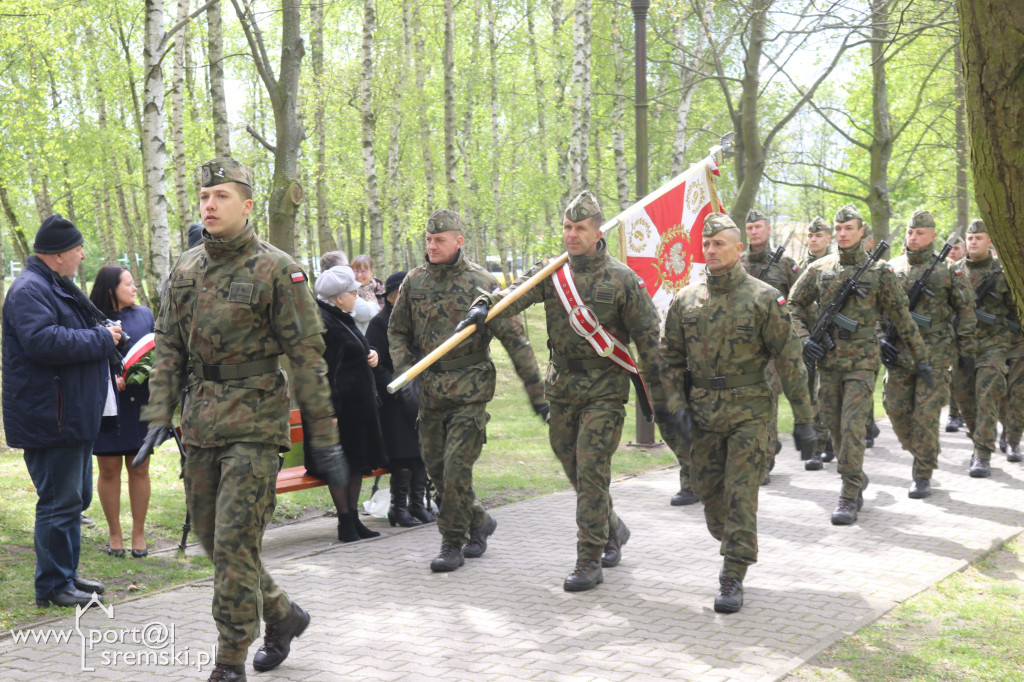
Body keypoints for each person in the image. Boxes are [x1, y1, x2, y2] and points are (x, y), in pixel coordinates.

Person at [141, 157, 347, 681]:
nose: (209, 205)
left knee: (234, 543)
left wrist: (324, 435)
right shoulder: (186, 268)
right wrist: (159, 412)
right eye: (204, 197)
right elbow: (168, 345)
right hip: (201, 422)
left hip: (255, 423)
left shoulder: (278, 269)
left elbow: (307, 357)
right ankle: (283, 614)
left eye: (222, 196)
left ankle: (230, 661)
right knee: (213, 540)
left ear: (247, 205)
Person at [460, 191, 660, 592]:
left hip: (605, 390)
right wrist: (484, 305)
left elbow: (650, 339)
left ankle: (589, 559)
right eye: (567, 227)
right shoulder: (553, 272)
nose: (571, 234)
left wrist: (663, 395)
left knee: (591, 471)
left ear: (597, 232)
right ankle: (612, 528)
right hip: (563, 389)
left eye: (580, 228)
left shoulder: (622, 279)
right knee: (575, 469)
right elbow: (510, 298)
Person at [660, 213, 815, 613]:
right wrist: (676, 405)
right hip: (703, 414)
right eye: (706, 245)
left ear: (737, 248)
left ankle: (732, 574)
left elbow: (790, 360)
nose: (710, 250)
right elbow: (670, 358)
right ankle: (731, 541)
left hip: (750, 411)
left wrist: (804, 418)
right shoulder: (686, 299)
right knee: (711, 499)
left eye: (719, 244)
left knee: (741, 495)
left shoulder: (764, 298)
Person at [389, 209, 545, 574]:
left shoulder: (482, 284)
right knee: (439, 473)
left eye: (439, 240)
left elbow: (515, 340)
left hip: (469, 392)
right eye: (428, 240)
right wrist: (405, 371)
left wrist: (536, 394)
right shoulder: (415, 281)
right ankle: (479, 520)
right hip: (429, 393)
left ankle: (451, 543)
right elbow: (397, 331)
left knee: (456, 470)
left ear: (459, 241)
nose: (432, 246)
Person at [2, 214, 119, 607]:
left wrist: (102, 336)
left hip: (69, 414)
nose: (83, 255)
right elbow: (43, 342)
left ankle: (66, 574)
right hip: (50, 418)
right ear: (56, 255)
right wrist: (101, 338)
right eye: (78, 249)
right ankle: (53, 586)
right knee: (58, 501)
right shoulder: (29, 289)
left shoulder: (52, 284)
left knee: (74, 499)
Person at [788, 204, 930, 525]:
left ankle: (849, 494)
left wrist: (921, 358)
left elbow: (901, 316)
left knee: (852, 428)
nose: (842, 234)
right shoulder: (820, 268)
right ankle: (855, 476)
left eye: (848, 228)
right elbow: (792, 304)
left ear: (861, 232)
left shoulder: (879, 272)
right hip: (828, 363)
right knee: (835, 428)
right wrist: (804, 338)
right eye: (838, 229)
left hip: (862, 363)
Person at [880, 210, 977, 499]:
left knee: (926, 416)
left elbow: (966, 310)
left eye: (919, 233)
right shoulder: (891, 267)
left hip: (935, 354)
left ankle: (922, 473)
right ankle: (925, 451)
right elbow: (873, 308)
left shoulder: (949, 270)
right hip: (898, 353)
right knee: (895, 410)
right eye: (910, 232)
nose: (913, 237)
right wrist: (879, 338)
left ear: (933, 236)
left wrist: (967, 350)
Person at [309, 265, 388, 542]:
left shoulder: (341, 317)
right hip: (340, 411)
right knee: (342, 466)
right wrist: (328, 410)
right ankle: (345, 522)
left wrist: (372, 353)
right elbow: (323, 371)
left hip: (356, 410)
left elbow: (356, 349)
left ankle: (353, 519)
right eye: (354, 293)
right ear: (339, 298)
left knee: (356, 464)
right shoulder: (324, 323)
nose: (357, 296)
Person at [90, 265, 156, 557]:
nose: (134, 288)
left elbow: (157, 351)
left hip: (139, 403)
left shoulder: (144, 315)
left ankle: (138, 534)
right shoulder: (90, 318)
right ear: (110, 290)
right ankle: (115, 534)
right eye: (128, 284)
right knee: (108, 470)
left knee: (139, 468)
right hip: (107, 405)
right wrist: (108, 377)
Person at [365, 270, 436, 527]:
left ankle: (417, 505)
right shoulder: (380, 323)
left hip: (420, 396)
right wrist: (397, 387)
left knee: (420, 453)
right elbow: (375, 363)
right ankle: (399, 508)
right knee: (403, 455)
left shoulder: (416, 321)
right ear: (394, 295)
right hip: (395, 399)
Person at [951, 219, 1016, 477]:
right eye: (970, 238)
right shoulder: (953, 271)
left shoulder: (1003, 271)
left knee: (987, 394)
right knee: (965, 400)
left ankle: (982, 454)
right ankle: (980, 438)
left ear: (990, 241)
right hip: (961, 346)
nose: (973, 242)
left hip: (993, 344)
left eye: (979, 238)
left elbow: (1015, 310)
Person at [740, 209, 800, 481]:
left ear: (768, 229)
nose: (754, 232)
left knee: (766, 401)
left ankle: (763, 460)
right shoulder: (737, 263)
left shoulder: (784, 265)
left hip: (773, 348)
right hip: (742, 347)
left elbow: (799, 301)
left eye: (758, 227)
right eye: (750, 227)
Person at [798, 217, 835, 468]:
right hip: (804, 339)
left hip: (830, 340)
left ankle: (824, 442)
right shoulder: (798, 268)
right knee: (806, 394)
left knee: (824, 394)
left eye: (818, 235)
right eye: (810, 236)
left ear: (828, 239)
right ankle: (817, 444)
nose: (813, 239)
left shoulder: (836, 266)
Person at [946, 234, 968, 433]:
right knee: (953, 373)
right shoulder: (941, 270)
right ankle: (953, 415)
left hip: (970, 330)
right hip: (948, 330)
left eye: (957, 248)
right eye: (950, 248)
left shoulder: (965, 271)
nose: (953, 252)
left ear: (964, 250)